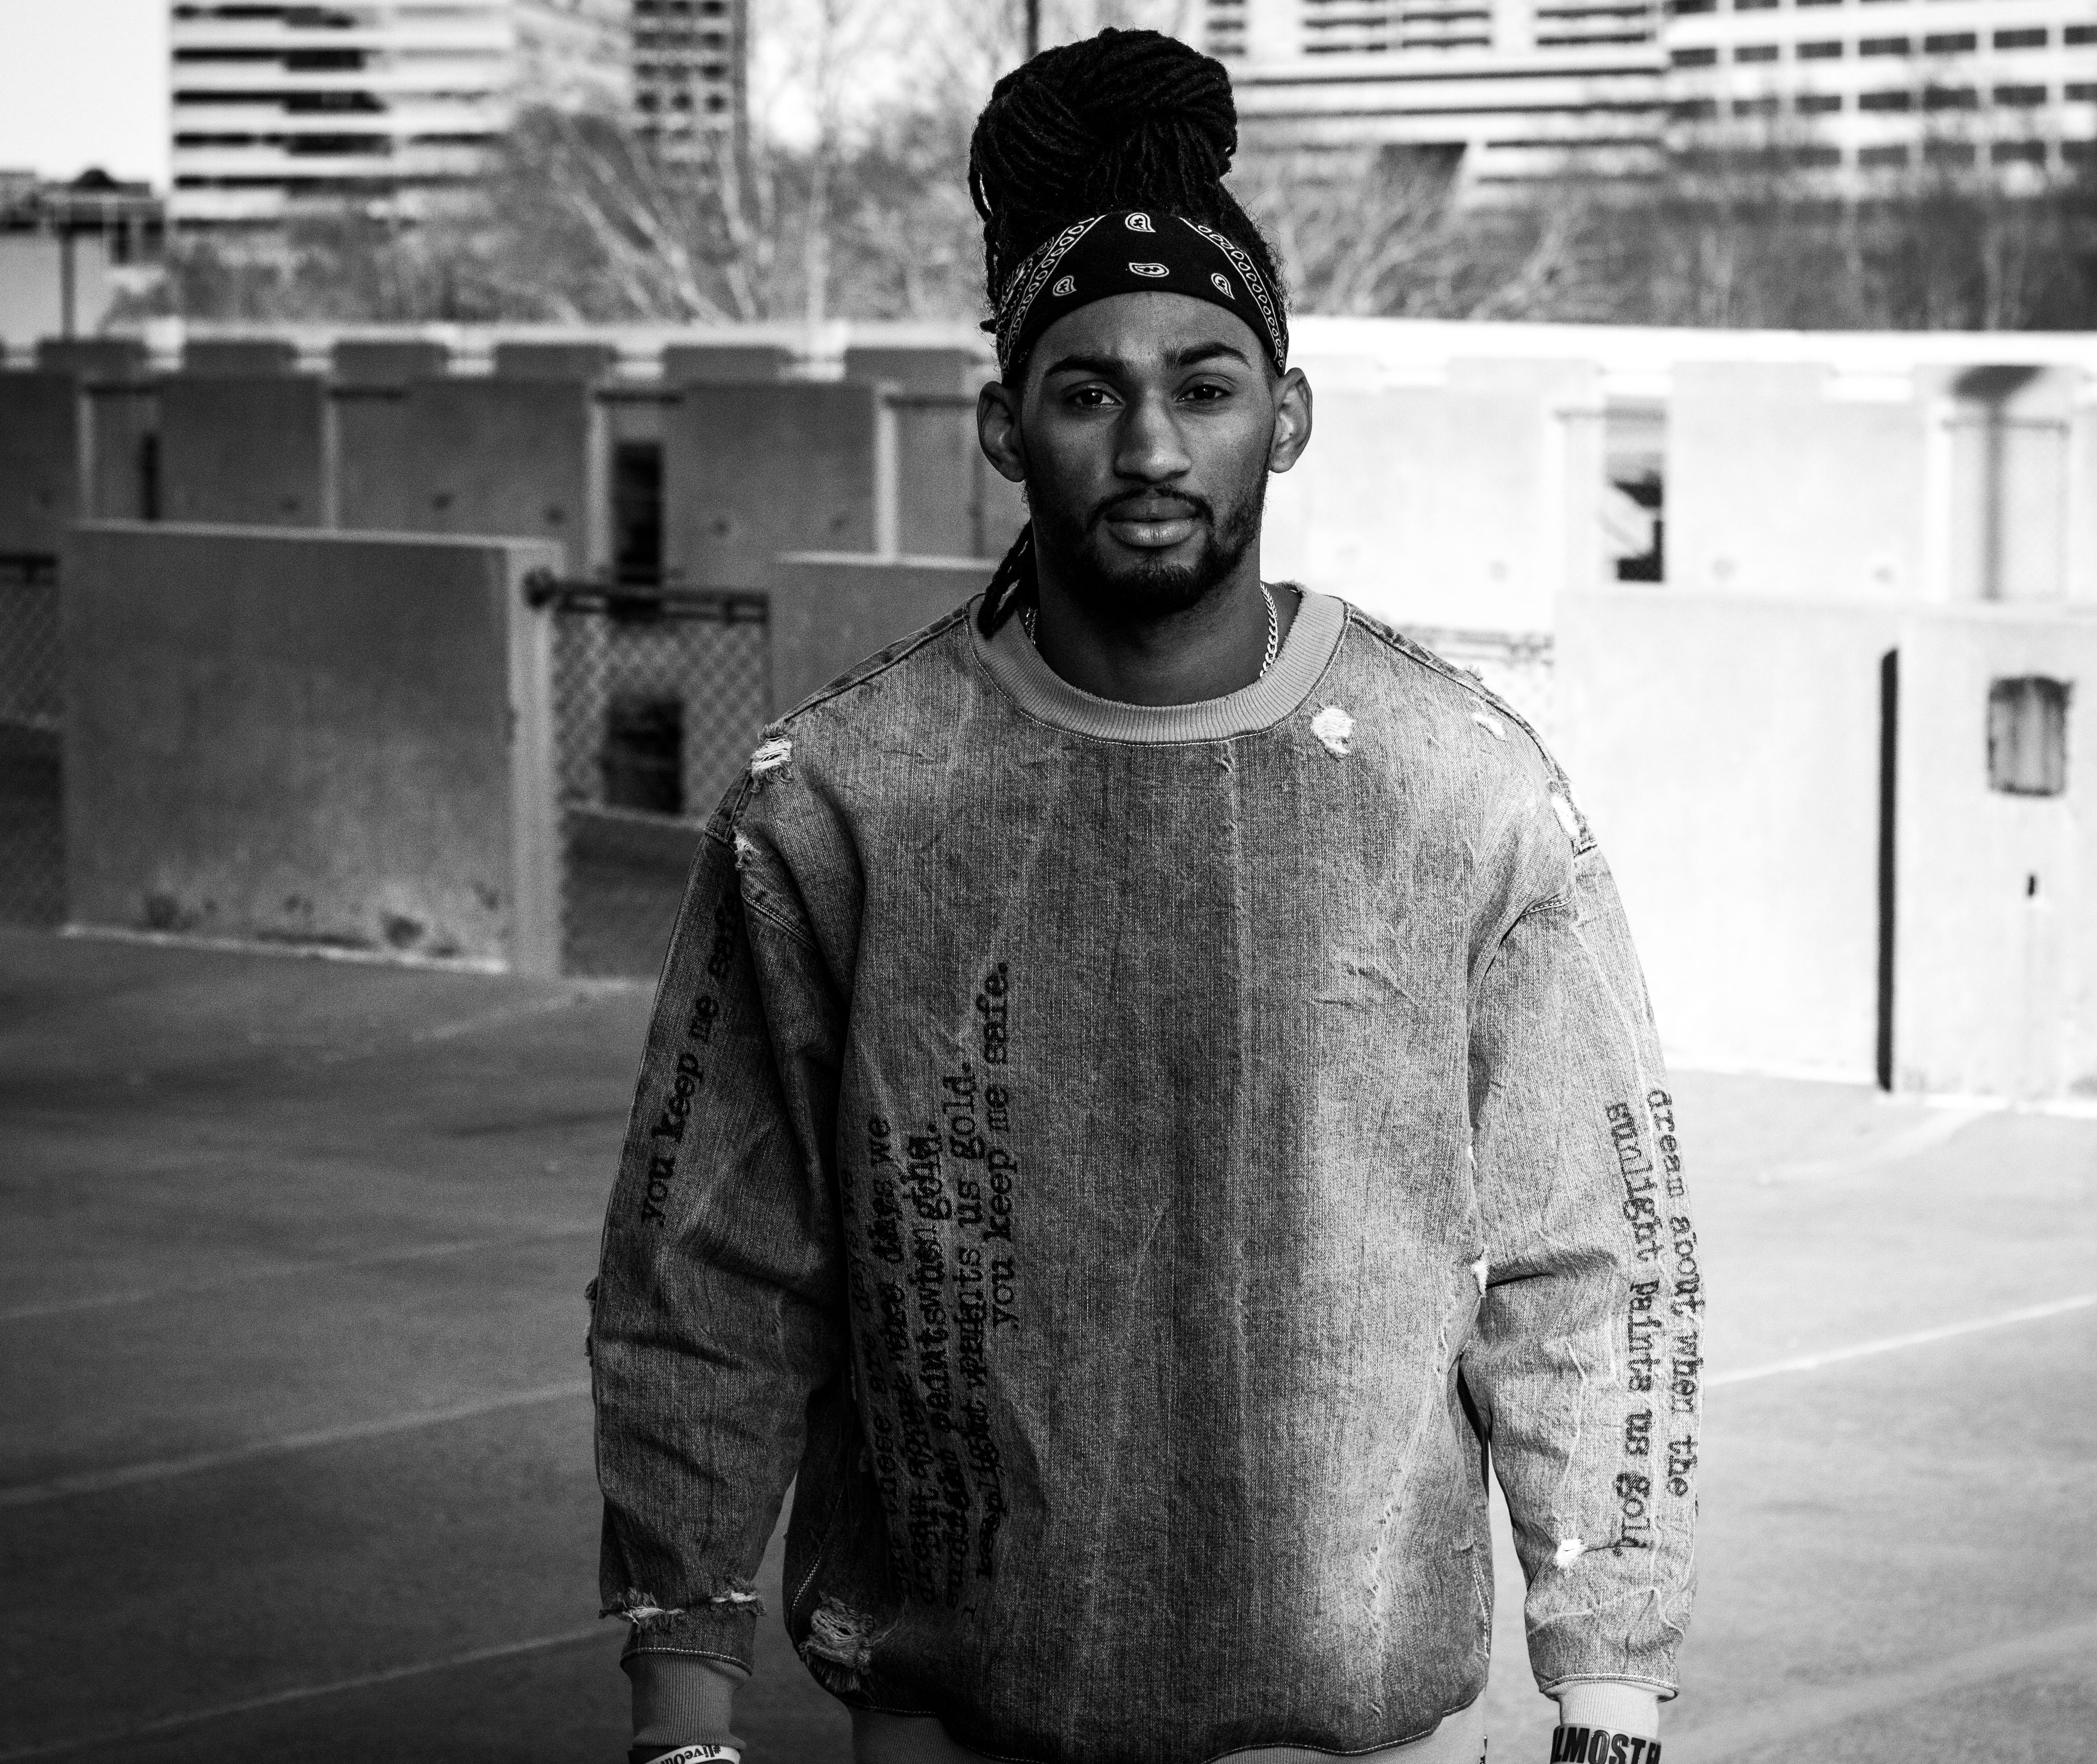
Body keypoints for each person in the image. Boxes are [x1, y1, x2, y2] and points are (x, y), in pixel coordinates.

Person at [589, 28, 1698, 1764]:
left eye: (1206, 382)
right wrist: (682, 1696)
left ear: (1287, 416)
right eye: (1089, 391)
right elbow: (709, 1261)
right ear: (1005, 426)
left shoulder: (1458, 785)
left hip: (1344, 1725)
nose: (1154, 444)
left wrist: (1610, 1687)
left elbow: (1588, 1255)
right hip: (955, 1711)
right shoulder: (845, 798)